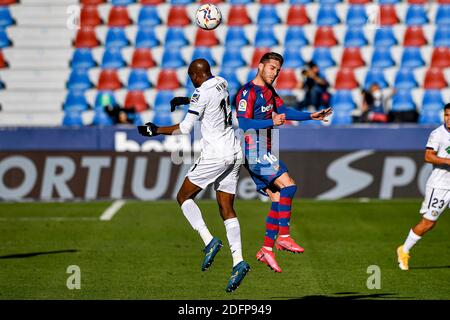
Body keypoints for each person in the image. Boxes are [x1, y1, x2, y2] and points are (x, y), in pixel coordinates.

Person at [138, 59, 250, 292]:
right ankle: (238, 261)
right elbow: (213, 103)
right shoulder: (222, 82)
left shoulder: (200, 92)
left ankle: (209, 240)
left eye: (191, 77)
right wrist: (186, 101)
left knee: (183, 197)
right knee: (226, 207)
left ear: (196, 75)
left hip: (216, 154)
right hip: (235, 150)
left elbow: (185, 128)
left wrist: (156, 130)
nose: (191, 81)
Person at [235, 52, 332, 272]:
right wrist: (271, 120)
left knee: (278, 197)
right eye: (271, 68)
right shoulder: (247, 92)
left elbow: (285, 111)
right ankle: (284, 236)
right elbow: (242, 123)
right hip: (253, 148)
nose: (275, 73)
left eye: (277, 70)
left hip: (262, 149)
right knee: (289, 186)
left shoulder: (269, 91)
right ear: (260, 66)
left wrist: (310, 116)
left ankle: (267, 249)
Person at [397, 103, 450, 270]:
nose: (448, 119)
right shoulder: (438, 134)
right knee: (428, 223)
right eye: (446, 115)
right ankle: (404, 250)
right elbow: (428, 156)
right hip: (440, 186)